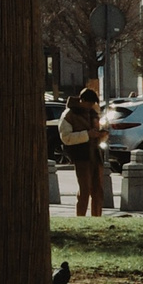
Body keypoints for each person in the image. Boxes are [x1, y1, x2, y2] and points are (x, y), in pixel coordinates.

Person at [61, 87, 107, 217]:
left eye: (93, 104)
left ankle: (96, 218)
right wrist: (87, 135)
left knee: (98, 191)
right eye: (89, 103)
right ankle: (81, 217)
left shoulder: (93, 113)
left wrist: (101, 134)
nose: (90, 106)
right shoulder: (69, 115)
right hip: (81, 156)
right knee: (85, 190)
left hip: (95, 155)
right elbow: (66, 138)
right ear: (82, 100)